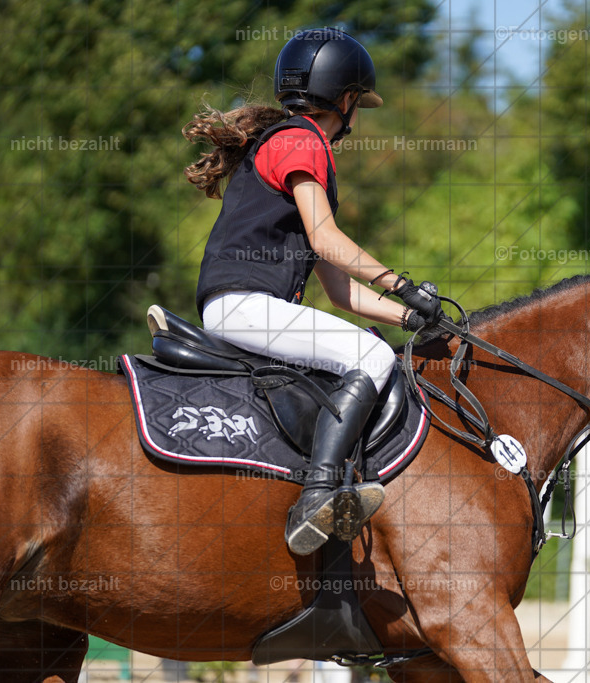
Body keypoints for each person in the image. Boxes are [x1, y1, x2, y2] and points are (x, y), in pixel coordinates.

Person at [181, 28, 443, 556]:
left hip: (239, 306)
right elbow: (327, 238)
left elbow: (342, 293)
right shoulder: (303, 141)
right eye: (357, 104)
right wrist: (403, 284)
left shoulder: (284, 142)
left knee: (365, 347)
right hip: (248, 306)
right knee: (371, 357)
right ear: (344, 99)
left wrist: (409, 317)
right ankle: (317, 495)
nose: (356, 115)